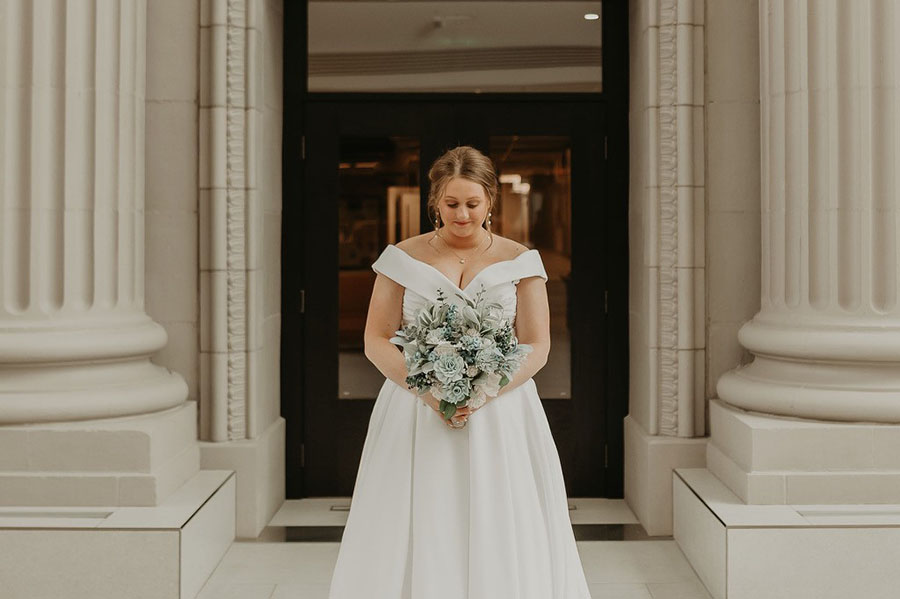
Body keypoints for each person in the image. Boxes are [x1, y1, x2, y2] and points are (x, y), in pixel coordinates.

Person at [328, 146, 591, 598]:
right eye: (452, 204)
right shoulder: (400, 259)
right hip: (416, 409)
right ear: (435, 202)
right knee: (422, 513)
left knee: (497, 515)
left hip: (501, 411)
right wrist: (430, 392)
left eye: (472, 204)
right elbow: (376, 338)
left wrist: (483, 393)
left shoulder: (521, 260)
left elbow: (539, 345)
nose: (462, 214)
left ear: (491, 200)